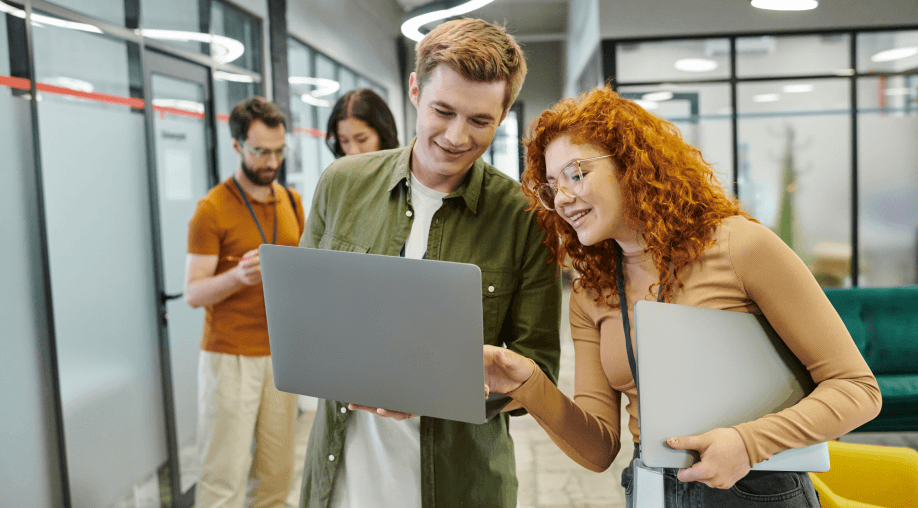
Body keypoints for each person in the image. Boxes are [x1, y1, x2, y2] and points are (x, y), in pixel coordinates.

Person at [483, 86, 882, 507]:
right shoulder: (592, 293)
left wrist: (748, 443)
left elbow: (857, 389)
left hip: (755, 486)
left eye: (576, 174)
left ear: (630, 164)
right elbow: (598, 449)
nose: (562, 198)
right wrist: (529, 384)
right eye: (551, 186)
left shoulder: (741, 247)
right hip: (651, 489)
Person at [297, 19, 562, 508]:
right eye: (443, 111)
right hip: (342, 480)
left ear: (503, 115)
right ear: (416, 90)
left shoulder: (524, 217)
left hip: (462, 484)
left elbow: (539, 369)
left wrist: (439, 385)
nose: (456, 136)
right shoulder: (341, 183)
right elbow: (304, 318)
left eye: (480, 121)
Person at [185, 97, 305, 508]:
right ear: (237, 146)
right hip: (231, 354)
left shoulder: (291, 201)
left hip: (282, 356)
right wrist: (237, 277)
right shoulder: (211, 209)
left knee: (277, 475)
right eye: (261, 150)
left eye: (278, 149)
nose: (271, 160)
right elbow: (193, 292)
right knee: (224, 476)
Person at [325, 88, 399, 157]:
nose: (353, 151)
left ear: (383, 135)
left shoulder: (405, 169)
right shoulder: (341, 169)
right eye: (344, 141)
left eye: (361, 140)